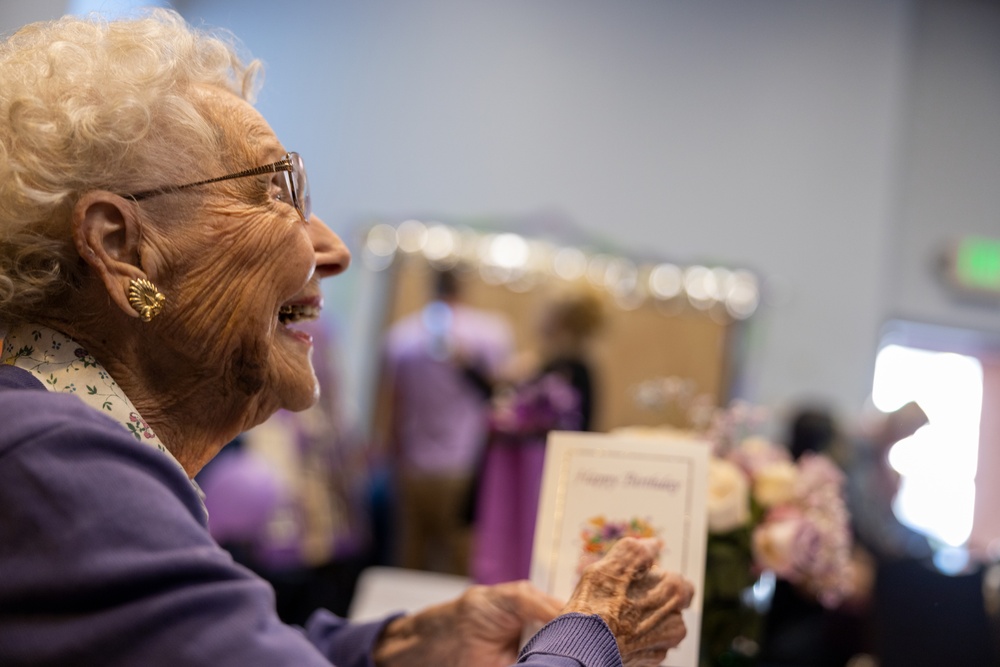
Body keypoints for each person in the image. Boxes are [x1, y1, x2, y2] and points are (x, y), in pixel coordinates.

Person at [0, 10, 693, 666]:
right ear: (121, 246)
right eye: (277, 192)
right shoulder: (53, 460)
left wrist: (402, 644)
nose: (331, 248)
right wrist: (588, 638)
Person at [378, 266, 513, 575]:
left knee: (409, 562)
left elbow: (393, 406)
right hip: (464, 466)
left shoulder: (401, 337)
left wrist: (390, 458)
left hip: (412, 465)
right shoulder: (490, 334)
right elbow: (500, 401)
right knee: (457, 563)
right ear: (463, 288)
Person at [472, 286, 605, 584]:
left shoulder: (570, 369)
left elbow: (572, 427)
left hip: (537, 478)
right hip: (527, 473)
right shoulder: (548, 364)